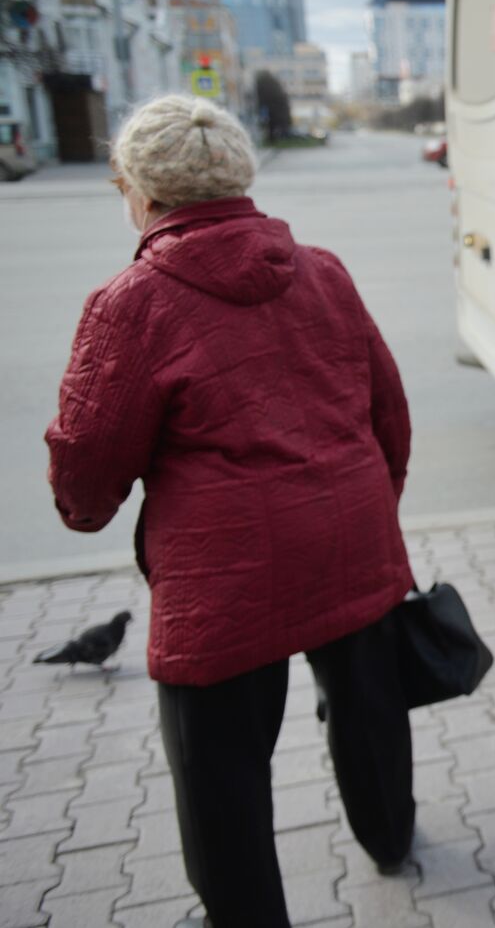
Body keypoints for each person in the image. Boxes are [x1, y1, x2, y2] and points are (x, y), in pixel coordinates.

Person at [45, 95, 416, 928]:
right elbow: (387, 410)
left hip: (225, 574)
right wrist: (371, 507)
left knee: (222, 775)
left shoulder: (130, 303)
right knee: (370, 713)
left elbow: (88, 469)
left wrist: (84, 506)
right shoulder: (321, 268)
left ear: (143, 192)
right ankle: (391, 838)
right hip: (350, 531)